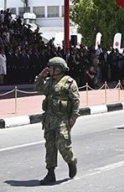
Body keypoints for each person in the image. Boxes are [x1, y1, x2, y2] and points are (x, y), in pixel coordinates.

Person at [34, 57, 80, 185]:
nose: (48, 69)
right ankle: (50, 173)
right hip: (49, 119)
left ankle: (71, 161)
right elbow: (38, 88)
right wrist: (40, 77)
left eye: (51, 67)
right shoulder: (49, 82)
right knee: (50, 146)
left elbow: (76, 100)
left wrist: (74, 117)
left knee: (63, 144)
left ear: (58, 68)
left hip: (62, 119)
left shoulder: (69, 82)